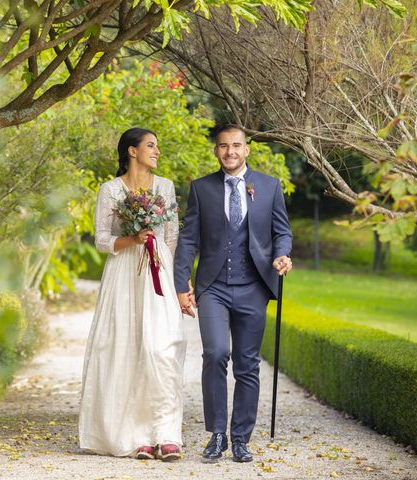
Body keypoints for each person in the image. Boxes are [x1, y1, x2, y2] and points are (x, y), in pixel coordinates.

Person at [173, 124, 293, 463]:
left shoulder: (269, 187)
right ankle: (217, 434)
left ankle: (241, 438)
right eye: (224, 146)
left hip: (254, 286)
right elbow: (188, 240)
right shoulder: (201, 188)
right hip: (213, 287)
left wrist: (282, 254)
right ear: (216, 150)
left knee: (247, 365)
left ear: (247, 149)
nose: (230, 152)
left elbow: (282, 232)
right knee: (215, 353)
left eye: (236, 145)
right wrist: (182, 285)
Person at [78, 127, 186, 461]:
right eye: (151, 145)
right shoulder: (110, 190)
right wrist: (134, 240)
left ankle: (167, 433)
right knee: (127, 349)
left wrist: (162, 266)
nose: (157, 151)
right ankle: (137, 436)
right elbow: (100, 238)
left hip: (158, 274)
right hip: (124, 274)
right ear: (132, 151)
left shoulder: (165, 187)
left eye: (158, 145)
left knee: (162, 349)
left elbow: (172, 235)